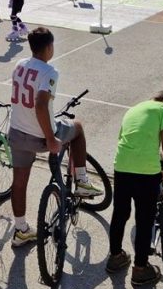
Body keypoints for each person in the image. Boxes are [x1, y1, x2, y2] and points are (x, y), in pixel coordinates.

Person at [8, 28, 102, 247]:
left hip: (17, 132)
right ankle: (81, 180)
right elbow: (40, 105)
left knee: (19, 182)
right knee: (77, 128)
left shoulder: (20, 64)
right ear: (49, 47)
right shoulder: (50, 72)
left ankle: (21, 229)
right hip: (40, 135)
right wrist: (50, 138)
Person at [107, 91, 163, 287]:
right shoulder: (162, 108)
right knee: (145, 219)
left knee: (120, 213)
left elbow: (133, 139)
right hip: (146, 171)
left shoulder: (132, 110)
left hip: (122, 166)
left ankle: (115, 257)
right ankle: (140, 269)